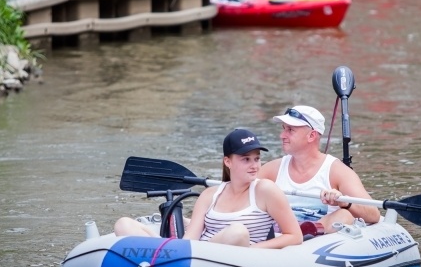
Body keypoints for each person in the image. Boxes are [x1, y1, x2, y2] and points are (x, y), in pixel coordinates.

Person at [114, 129, 303, 249]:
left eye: (256, 158)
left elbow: (295, 236)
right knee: (123, 224)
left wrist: (256, 248)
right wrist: (177, 251)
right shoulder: (210, 195)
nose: (254, 165)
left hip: (239, 263)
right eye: (246, 159)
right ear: (227, 161)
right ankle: (163, 265)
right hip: (197, 259)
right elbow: (190, 239)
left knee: (238, 232)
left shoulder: (266, 190)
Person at [258, 106, 382, 236]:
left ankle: (306, 233)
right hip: (278, 233)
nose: (282, 135)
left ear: (311, 136)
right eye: (283, 129)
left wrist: (345, 202)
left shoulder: (337, 171)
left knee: (344, 214)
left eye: (290, 130)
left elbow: (373, 214)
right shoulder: (272, 169)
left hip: (315, 242)